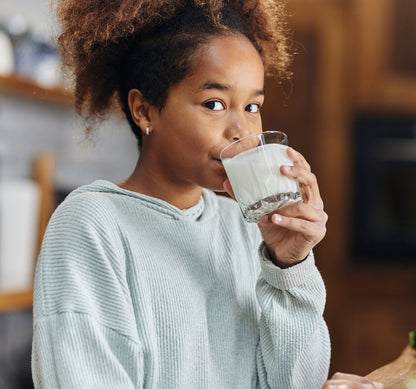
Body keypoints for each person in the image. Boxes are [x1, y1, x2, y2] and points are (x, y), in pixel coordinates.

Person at [31, 0, 384, 388]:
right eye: (214, 103)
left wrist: (289, 266)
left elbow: (292, 382)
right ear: (144, 110)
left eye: (253, 106)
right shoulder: (90, 226)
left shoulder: (248, 227)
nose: (242, 129)